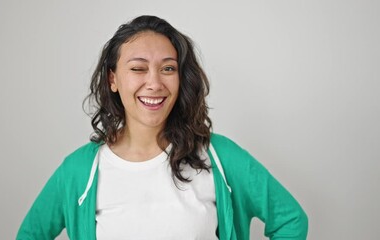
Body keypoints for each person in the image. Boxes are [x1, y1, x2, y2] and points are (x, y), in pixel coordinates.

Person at [17, 15, 308, 240]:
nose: (155, 83)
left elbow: (290, 220)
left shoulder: (219, 156)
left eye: (168, 68)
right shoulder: (80, 170)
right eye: (138, 68)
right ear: (112, 80)